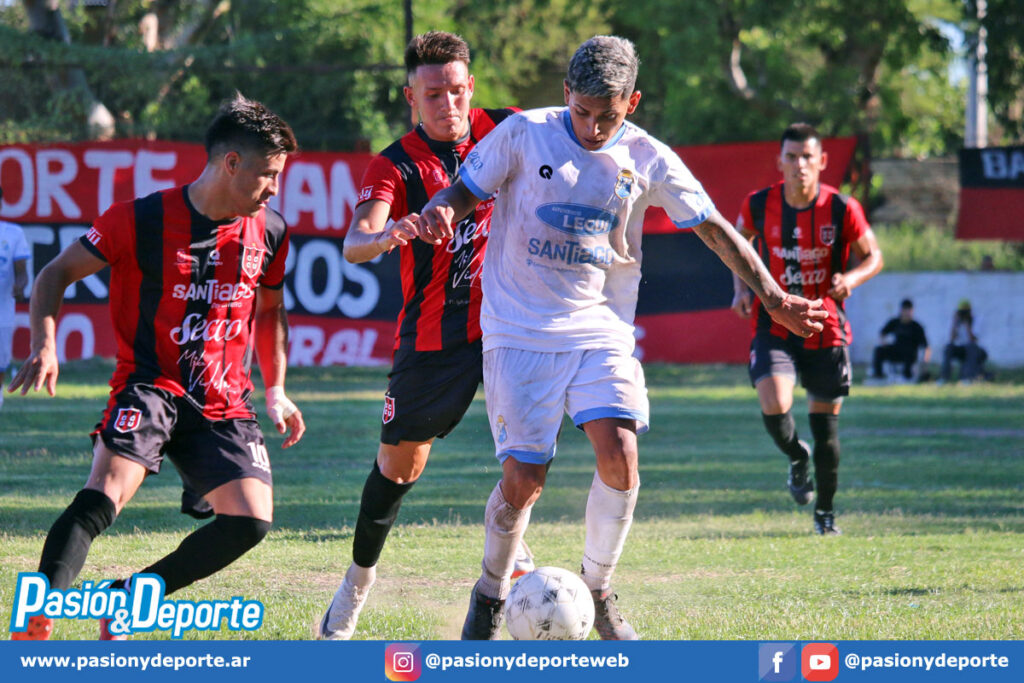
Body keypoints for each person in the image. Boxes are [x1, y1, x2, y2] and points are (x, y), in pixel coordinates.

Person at [418, 36, 827, 640]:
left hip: (600, 328)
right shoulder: (523, 134)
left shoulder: (647, 155)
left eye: (606, 116)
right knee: (524, 482)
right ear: (566, 93)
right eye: (581, 111)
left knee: (621, 453)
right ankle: (490, 590)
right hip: (518, 330)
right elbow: (462, 190)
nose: (591, 127)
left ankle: (599, 590)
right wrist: (442, 209)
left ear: (631, 103)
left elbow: (713, 227)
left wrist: (773, 296)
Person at [8, 94, 306, 641]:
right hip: (150, 386)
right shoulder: (139, 219)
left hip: (224, 400)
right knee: (104, 494)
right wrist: (45, 344)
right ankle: (35, 618)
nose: (274, 189)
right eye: (268, 175)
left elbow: (270, 310)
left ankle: (127, 600)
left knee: (251, 520)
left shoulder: (271, 230)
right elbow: (54, 274)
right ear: (231, 163)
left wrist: (278, 388)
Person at [318, 31, 531, 641]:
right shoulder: (394, 164)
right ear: (411, 97)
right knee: (398, 469)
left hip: (510, 325)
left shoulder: (509, 128)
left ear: (472, 87)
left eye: (457, 90)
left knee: (527, 454)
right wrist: (393, 233)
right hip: (434, 339)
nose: (448, 104)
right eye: (433, 94)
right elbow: (354, 243)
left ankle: (507, 566)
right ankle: (356, 585)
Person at [731, 122, 883, 536]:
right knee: (775, 403)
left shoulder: (842, 208)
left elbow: (874, 256)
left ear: (822, 161)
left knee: (825, 430)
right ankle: (797, 457)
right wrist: (741, 289)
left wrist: (851, 279)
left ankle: (825, 513)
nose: (800, 164)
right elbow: (737, 248)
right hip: (774, 319)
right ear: (779, 161)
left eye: (807, 157)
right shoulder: (758, 204)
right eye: (792, 157)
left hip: (825, 323)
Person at [0, 187, 30, 413]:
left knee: (1, 362)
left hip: (3, 310)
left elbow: (21, 271)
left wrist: (20, 286)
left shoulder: (13, 233)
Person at [870, 298, 930, 381]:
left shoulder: (916, 326)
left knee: (909, 353)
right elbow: (882, 333)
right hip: (897, 350)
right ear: (901, 310)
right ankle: (878, 375)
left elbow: (926, 347)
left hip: (910, 354)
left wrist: (925, 362)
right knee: (879, 350)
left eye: (909, 310)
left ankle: (907, 376)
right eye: (905, 310)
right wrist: (883, 342)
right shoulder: (895, 322)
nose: (907, 313)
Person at [940, 300, 988, 383]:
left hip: (976, 350)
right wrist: (955, 323)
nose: (963, 315)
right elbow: (951, 339)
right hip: (961, 349)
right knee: (948, 348)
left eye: (965, 313)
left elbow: (973, 340)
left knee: (971, 347)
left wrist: (967, 324)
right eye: (961, 313)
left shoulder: (977, 320)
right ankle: (944, 378)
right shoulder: (956, 322)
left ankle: (967, 378)